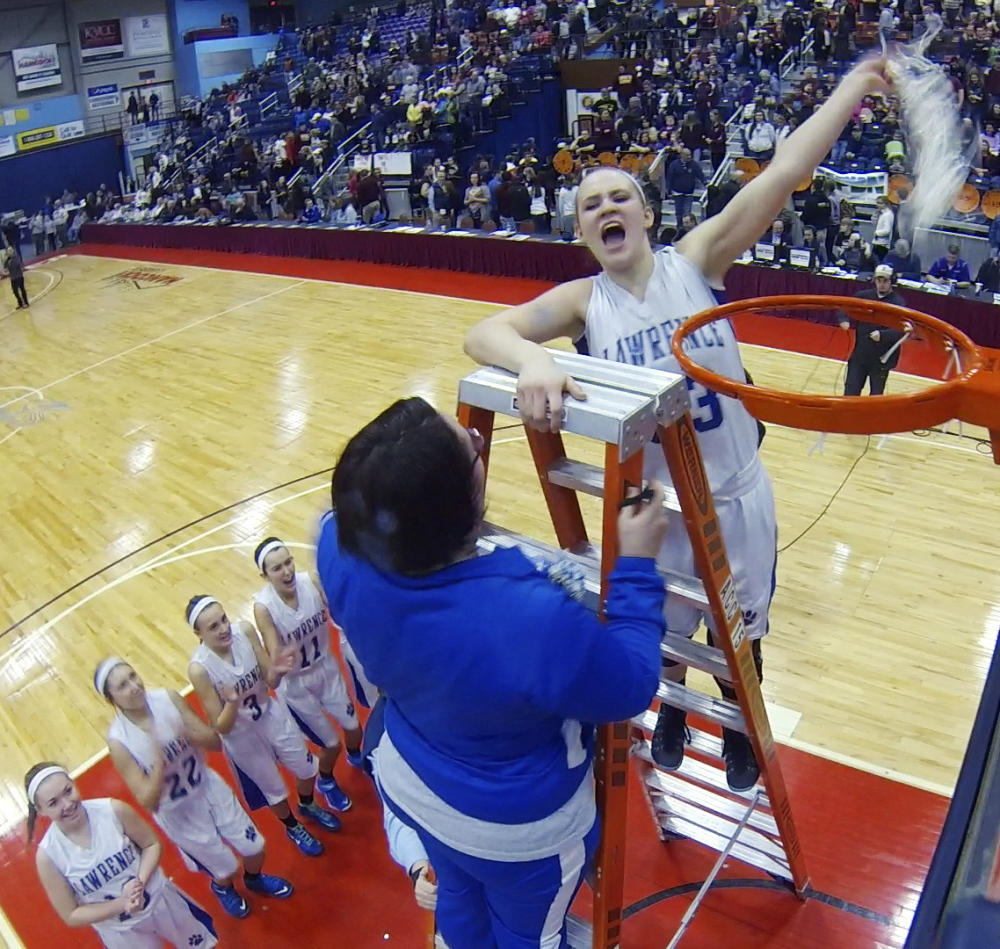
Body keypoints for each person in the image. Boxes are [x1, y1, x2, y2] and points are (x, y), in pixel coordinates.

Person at [465, 58, 892, 792]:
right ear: (582, 232)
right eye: (591, 202)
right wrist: (532, 363)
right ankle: (671, 710)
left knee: (743, 631)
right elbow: (484, 334)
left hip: (733, 493)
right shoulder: (580, 301)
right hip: (655, 511)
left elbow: (784, 171)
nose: (606, 206)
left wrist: (853, 86)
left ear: (646, 214)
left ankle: (735, 724)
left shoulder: (695, 262)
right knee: (664, 635)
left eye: (619, 195)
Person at [316, 397, 668, 949]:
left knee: (457, 899)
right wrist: (639, 566)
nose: (482, 441)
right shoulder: (528, 618)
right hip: (520, 832)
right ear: (461, 506)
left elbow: (337, 517)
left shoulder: (335, 553)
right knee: (528, 935)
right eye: (473, 450)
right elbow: (631, 685)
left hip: (417, 784)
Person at [99, 658, 293, 919]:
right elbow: (148, 802)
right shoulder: (120, 742)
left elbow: (214, 742)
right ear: (112, 699)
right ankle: (222, 887)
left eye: (133, 676)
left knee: (255, 847)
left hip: (208, 785)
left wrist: (187, 734)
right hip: (178, 811)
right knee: (225, 867)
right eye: (123, 686)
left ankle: (254, 879)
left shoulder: (167, 698)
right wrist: (158, 764)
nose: (134, 686)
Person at [186, 595, 342, 856]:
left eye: (223, 619)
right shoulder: (200, 669)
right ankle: (292, 826)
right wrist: (233, 703)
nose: (224, 628)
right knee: (275, 790)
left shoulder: (244, 632)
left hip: (271, 715)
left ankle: (306, 804)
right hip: (241, 735)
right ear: (198, 633)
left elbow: (271, 681)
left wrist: (279, 669)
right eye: (213, 627)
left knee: (307, 768)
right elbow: (220, 727)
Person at [27, 762, 219, 947]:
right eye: (53, 803)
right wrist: (123, 904)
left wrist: (140, 883)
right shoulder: (48, 856)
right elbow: (71, 914)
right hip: (120, 930)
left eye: (68, 791)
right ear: (40, 810)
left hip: (160, 900)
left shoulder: (112, 810)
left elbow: (151, 845)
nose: (67, 804)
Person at [252, 537, 362, 814]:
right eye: (277, 568)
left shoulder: (309, 582)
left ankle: (357, 757)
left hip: (326, 667)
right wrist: (278, 663)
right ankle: (325, 780)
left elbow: (337, 607)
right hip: (297, 685)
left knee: (353, 728)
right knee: (331, 744)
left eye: (288, 562)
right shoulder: (264, 608)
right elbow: (273, 655)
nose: (286, 571)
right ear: (265, 575)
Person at [838, 264, 908, 396]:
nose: (881, 284)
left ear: (892, 281)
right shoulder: (863, 296)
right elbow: (844, 307)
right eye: (878, 280)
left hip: (881, 360)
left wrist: (883, 335)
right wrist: (843, 319)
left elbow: (902, 330)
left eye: (885, 281)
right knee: (850, 392)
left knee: (875, 396)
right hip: (860, 356)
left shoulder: (898, 303)